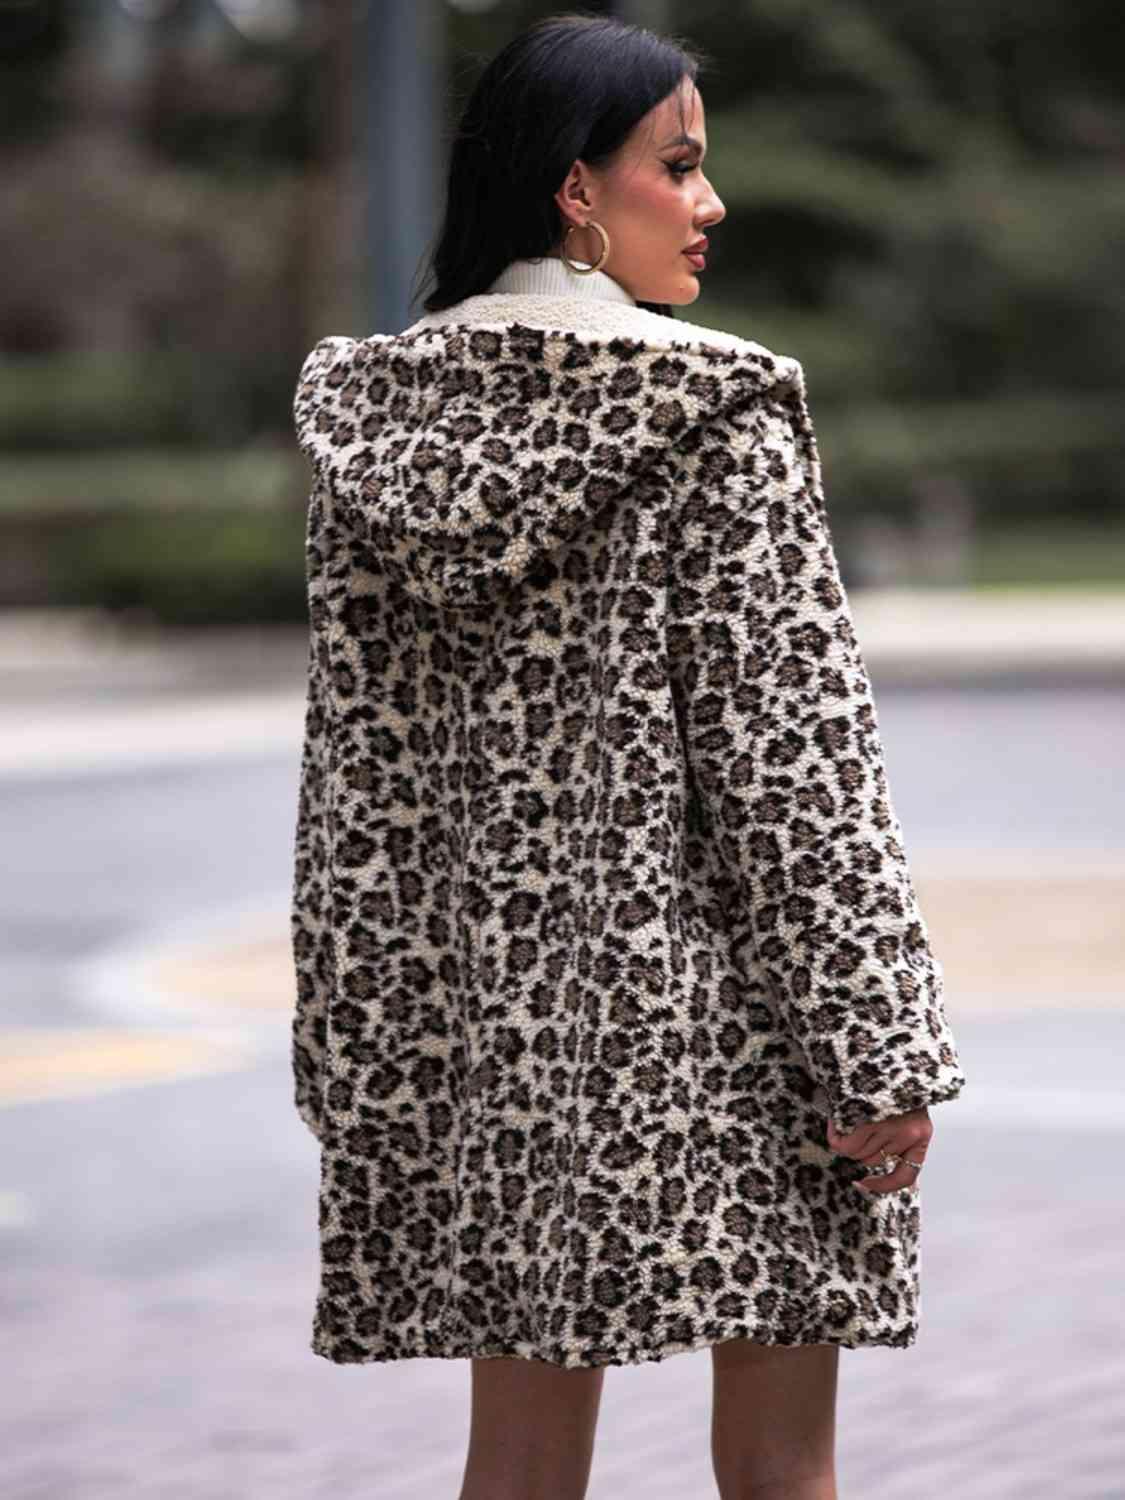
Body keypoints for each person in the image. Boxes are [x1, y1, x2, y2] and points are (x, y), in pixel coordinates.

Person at [288, 13, 967, 1500]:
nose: (711, 203)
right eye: (678, 164)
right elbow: (795, 770)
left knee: (518, 1475)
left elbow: (356, 799)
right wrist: (873, 1048)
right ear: (573, 191)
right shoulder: (719, 414)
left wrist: (363, 1070)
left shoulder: (374, 424)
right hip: (737, 1029)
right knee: (781, 1475)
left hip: (490, 1040)